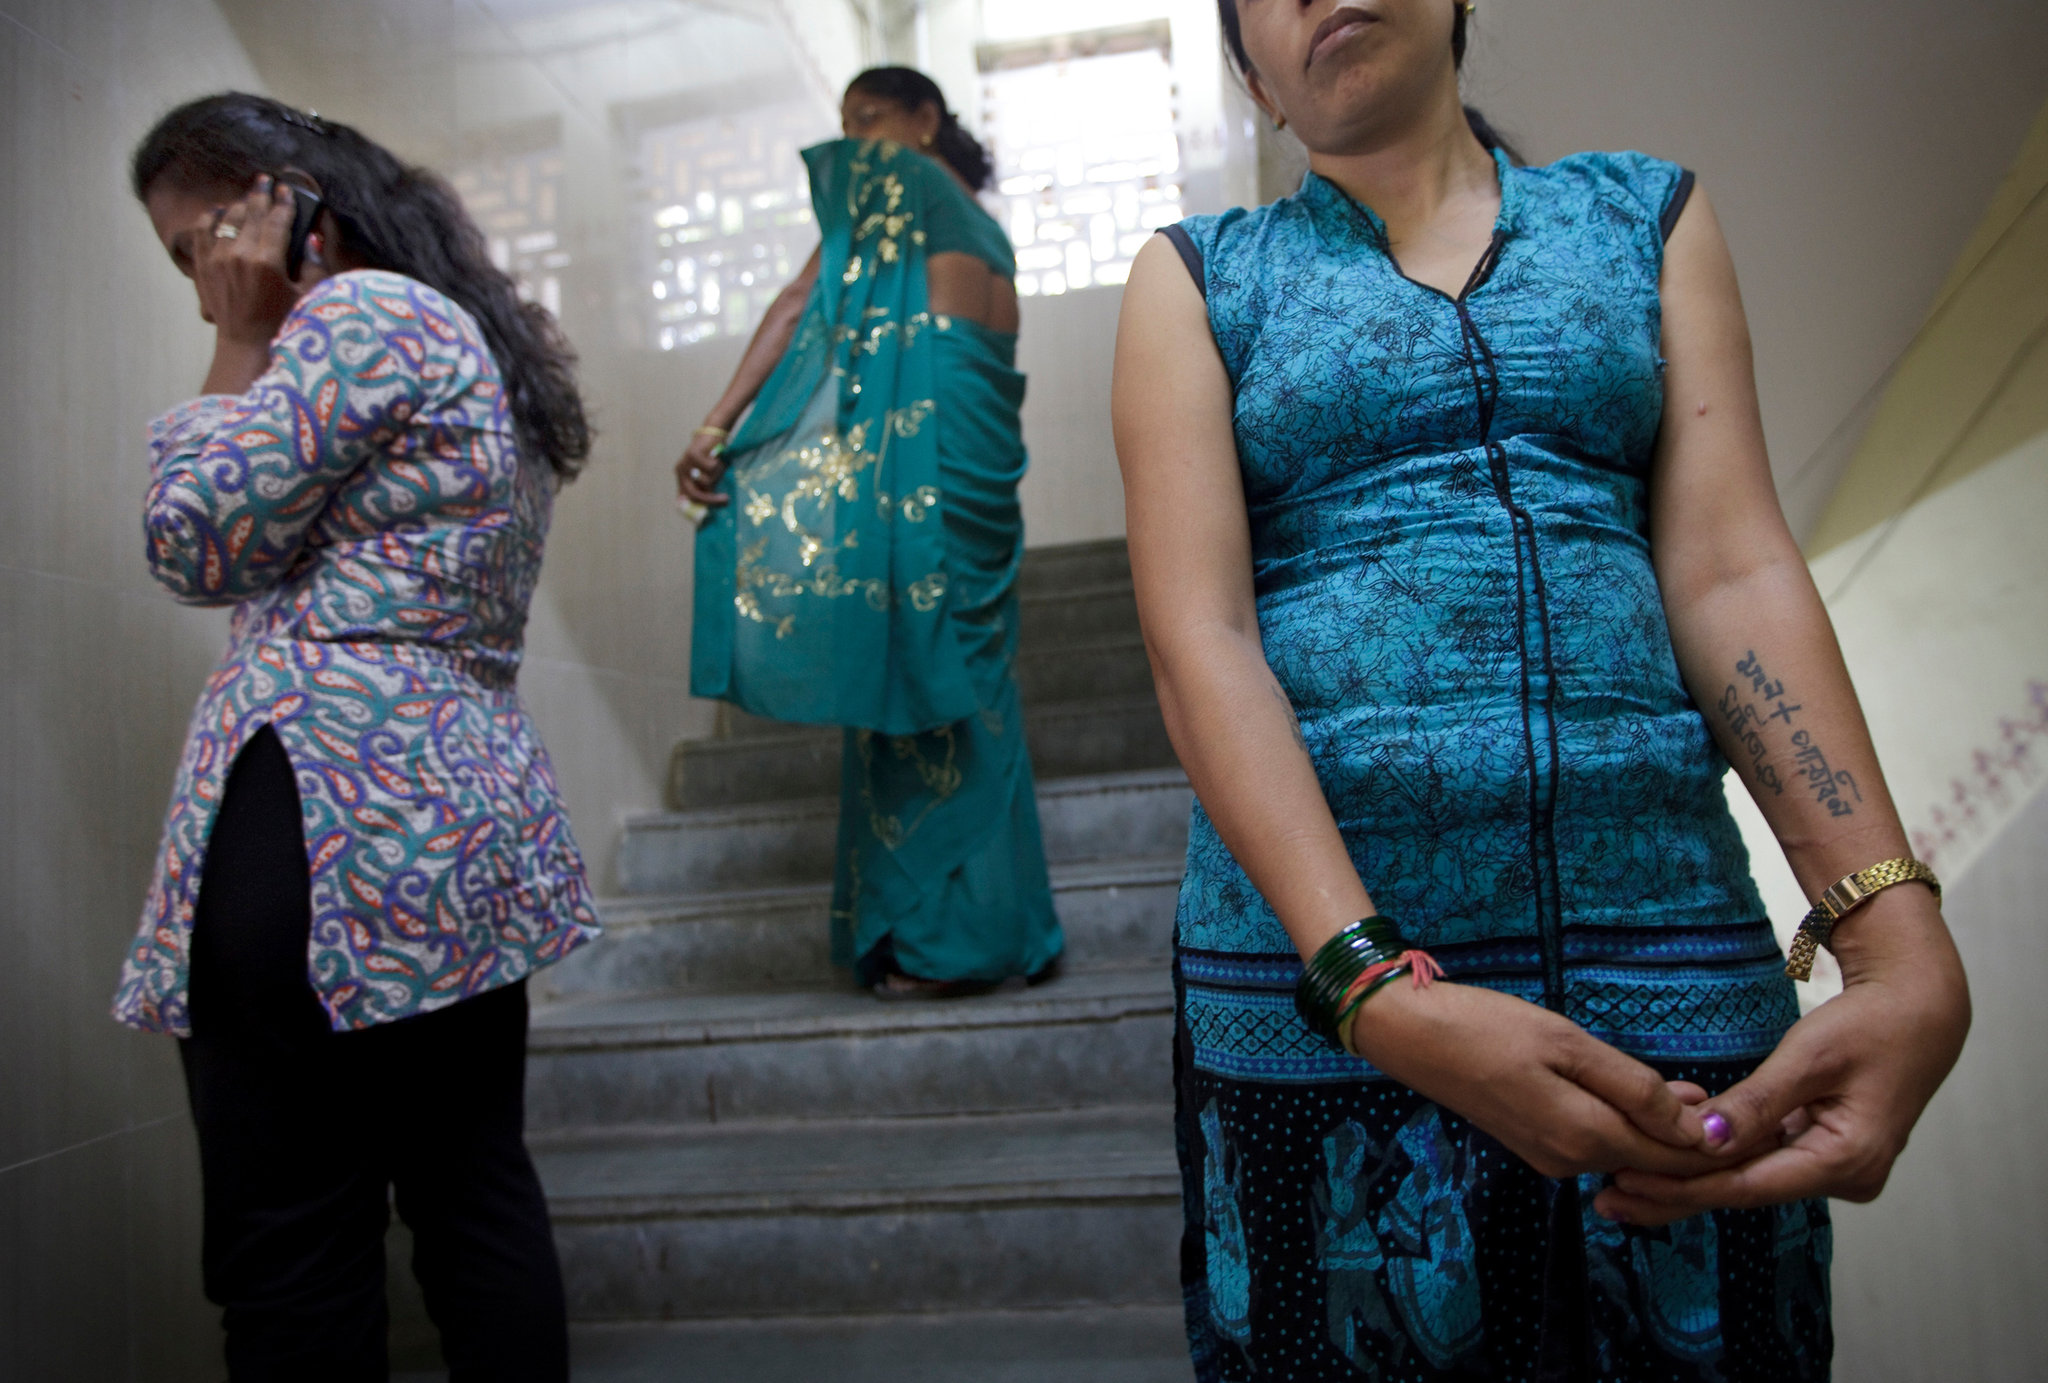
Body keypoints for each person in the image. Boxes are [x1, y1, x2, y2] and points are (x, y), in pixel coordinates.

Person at [1111, 3, 1970, 1378]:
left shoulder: (1646, 219)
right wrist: (1368, 979)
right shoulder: (1199, 279)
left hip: (1670, 962)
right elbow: (1198, 635)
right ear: (1256, 89)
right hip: (1319, 1018)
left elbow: (1734, 574)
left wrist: (1892, 929)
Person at [116, 93, 601, 1381]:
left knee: (294, 1242)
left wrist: (235, 337)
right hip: (454, 810)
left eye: (199, 246)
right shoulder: (469, 338)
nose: (204, 282)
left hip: (325, 814)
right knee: (470, 1192)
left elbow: (195, 540)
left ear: (273, 206)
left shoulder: (347, 317)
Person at [679, 67, 1062, 998]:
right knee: (967, 675)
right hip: (970, 470)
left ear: (925, 121)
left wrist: (718, 424)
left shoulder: (902, 191)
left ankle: (944, 944)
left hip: (924, 461)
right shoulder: (979, 223)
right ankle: (1000, 926)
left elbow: (797, 306)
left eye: (868, 119)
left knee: (907, 658)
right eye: (842, 124)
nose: (851, 142)